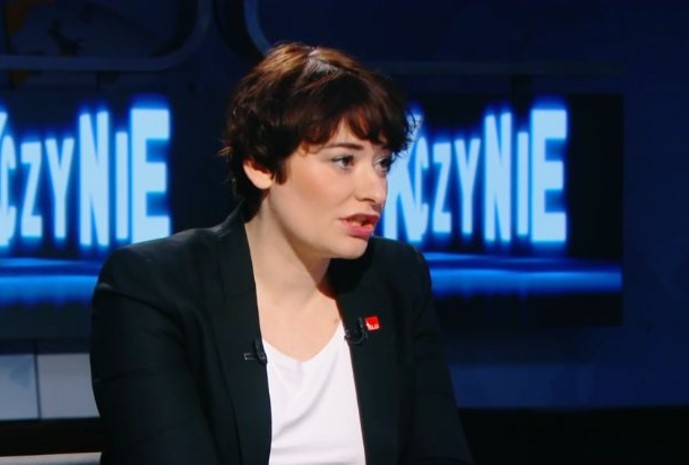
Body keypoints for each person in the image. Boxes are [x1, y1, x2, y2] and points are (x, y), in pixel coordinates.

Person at [90, 41, 473, 465]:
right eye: (344, 161)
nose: (375, 192)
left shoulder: (395, 277)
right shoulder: (154, 287)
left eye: (381, 164)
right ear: (261, 164)